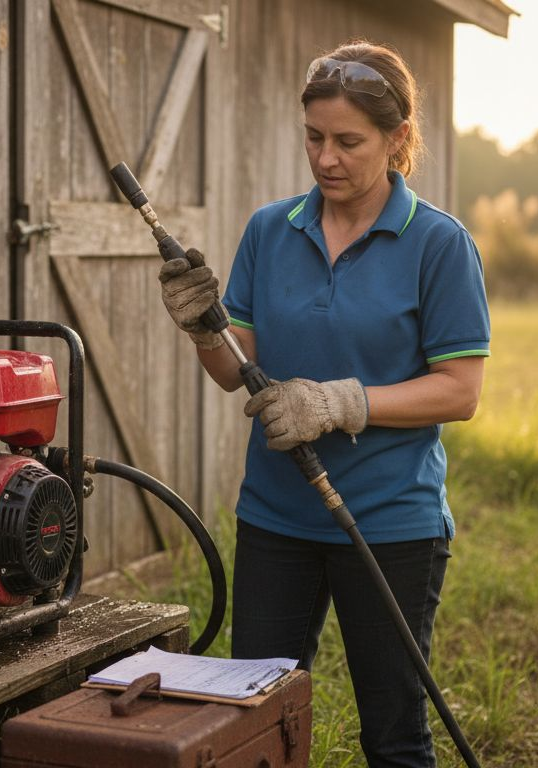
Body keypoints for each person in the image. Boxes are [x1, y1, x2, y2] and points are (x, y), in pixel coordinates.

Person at [157, 40, 490, 767]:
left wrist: (341, 402)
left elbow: (460, 390)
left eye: (348, 142)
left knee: (393, 732)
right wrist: (199, 325)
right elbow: (232, 368)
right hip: (276, 517)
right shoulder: (271, 230)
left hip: (391, 523)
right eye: (314, 138)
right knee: (253, 716)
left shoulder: (438, 244)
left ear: (397, 138)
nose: (326, 158)